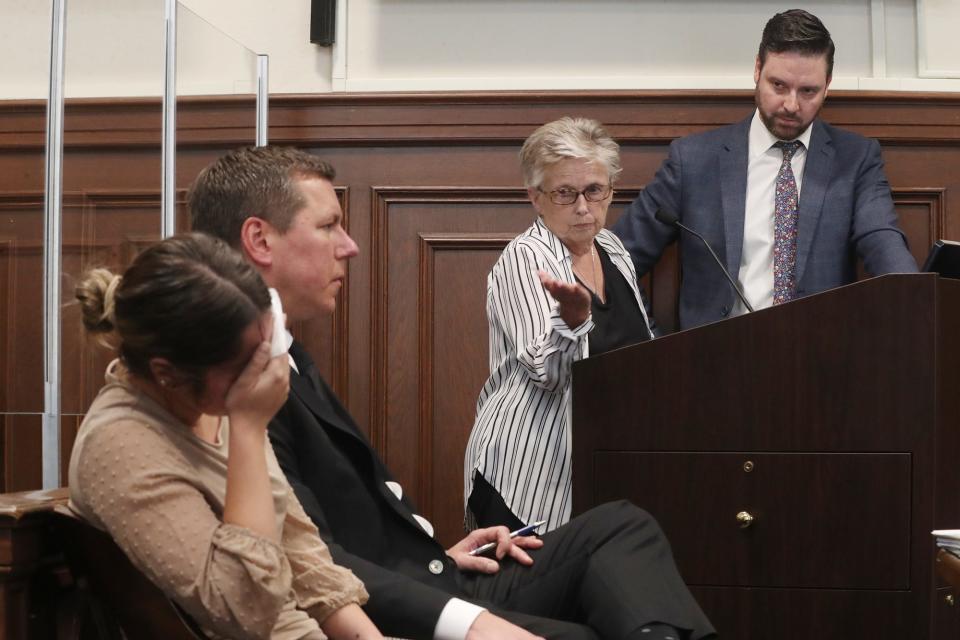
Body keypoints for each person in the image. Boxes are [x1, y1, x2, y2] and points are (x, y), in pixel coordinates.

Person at [190, 145, 715, 640]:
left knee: (624, 527)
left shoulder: (281, 350)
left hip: (427, 574)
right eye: (329, 226)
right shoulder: (237, 381)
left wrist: (436, 556)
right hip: (387, 606)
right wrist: (465, 620)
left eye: (596, 191)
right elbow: (310, 560)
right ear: (259, 241)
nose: (349, 245)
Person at [68, 233, 382, 640]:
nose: (265, 372)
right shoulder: (119, 445)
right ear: (168, 373)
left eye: (265, 349)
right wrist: (249, 430)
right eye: (246, 362)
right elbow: (244, 609)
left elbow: (303, 557)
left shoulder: (216, 403)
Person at [613, 8, 918, 331]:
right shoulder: (693, 160)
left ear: (827, 85)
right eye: (779, 85)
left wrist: (918, 294)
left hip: (817, 364)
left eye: (808, 91)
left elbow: (882, 241)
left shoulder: (856, 159)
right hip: (712, 363)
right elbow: (616, 261)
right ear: (757, 70)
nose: (791, 104)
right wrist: (655, 346)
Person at [464, 117, 655, 534]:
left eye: (594, 190)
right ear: (536, 197)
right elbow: (546, 374)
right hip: (528, 477)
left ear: (611, 190)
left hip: (600, 465)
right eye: (565, 193)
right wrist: (570, 322)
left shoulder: (613, 249)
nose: (584, 207)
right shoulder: (525, 259)